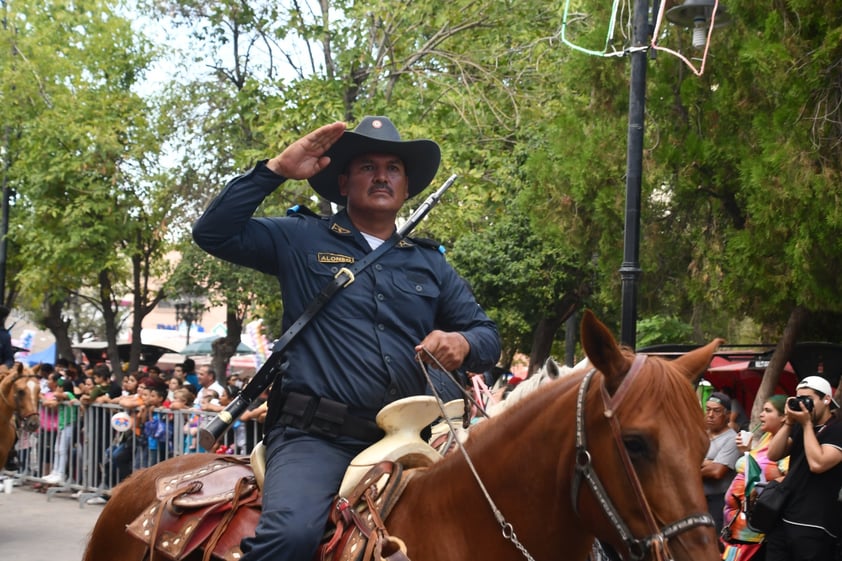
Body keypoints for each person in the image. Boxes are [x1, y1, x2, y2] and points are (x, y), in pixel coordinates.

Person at [192, 116, 501, 561]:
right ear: (342, 181)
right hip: (315, 438)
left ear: (406, 185)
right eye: (367, 167)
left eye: (393, 167)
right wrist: (276, 169)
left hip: (414, 436)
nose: (381, 176)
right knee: (290, 539)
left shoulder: (432, 264)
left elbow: (488, 335)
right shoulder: (300, 238)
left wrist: (462, 344)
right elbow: (213, 233)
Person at [765, 375, 842, 561]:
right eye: (799, 399)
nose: (803, 404)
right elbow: (773, 454)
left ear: (826, 399)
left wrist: (807, 424)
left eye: (808, 399)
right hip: (783, 519)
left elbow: (818, 464)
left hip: (816, 525)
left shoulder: (837, 429)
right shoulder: (799, 426)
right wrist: (789, 422)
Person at [721, 395, 789, 560]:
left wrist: (747, 453)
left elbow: (773, 481)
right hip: (734, 527)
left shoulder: (786, 446)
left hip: (754, 532)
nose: (761, 415)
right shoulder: (767, 438)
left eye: (768, 411)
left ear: (784, 417)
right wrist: (746, 450)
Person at [702, 391, 741, 535]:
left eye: (716, 411)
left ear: (728, 415)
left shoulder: (732, 439)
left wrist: (691, 468)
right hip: (698, 498)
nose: (710, 415)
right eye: (708, 410)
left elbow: (717, 472)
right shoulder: (701, 435)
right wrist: (708, 462)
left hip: (718, 501)